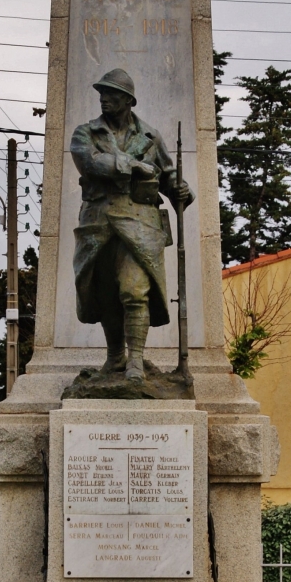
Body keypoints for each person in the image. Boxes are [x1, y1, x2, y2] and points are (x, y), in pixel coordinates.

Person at [70, 69, 194, 381]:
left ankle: (135, 360)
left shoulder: (150, 137)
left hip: (140, 222)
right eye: (102, 93)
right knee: (106, 293)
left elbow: (167, 173)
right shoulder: (86, 133)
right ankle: (115, 358)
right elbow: (89, 162)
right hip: (98, 222)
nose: (104, 99)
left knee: (134, 289)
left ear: (128, 101)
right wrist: (133, 165)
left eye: (111, 94)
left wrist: (181, 188)